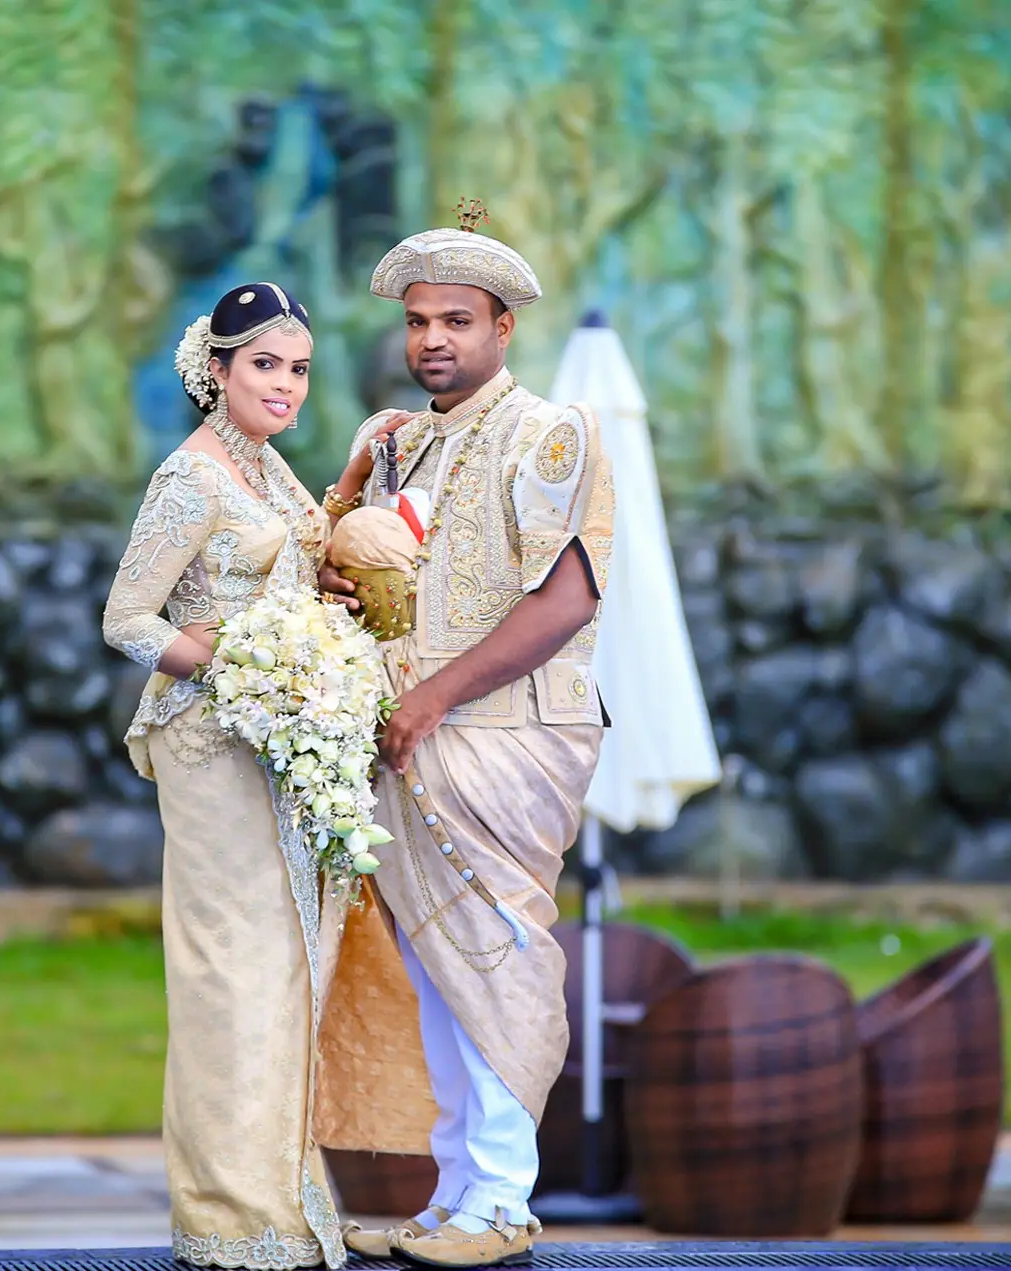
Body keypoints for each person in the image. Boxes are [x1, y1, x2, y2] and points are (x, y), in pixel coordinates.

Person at [313, 205, 616, 1269]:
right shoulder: (396, 443)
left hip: (506, 733)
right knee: (439, 965)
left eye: (455, 321)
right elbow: (370, 582)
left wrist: (433, 693)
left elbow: (568, 599)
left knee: (493, 949)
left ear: (501, 329)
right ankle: (453, 1197)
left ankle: (502, 1197)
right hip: (407, 734)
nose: (432, 340)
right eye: (417, 322)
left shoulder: (549, 433)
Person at [102, 282, 396, 1270]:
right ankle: (229, 1215)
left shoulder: (270, 471)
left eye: (298, 368)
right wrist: (233, 665)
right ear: (217, 369)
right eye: (264, 364)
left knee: (289, 967)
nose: (283, 384)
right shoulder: (189, 478)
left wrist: (352, 495)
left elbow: (308, 563)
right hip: (209, 748)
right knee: (233, 973)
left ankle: (286, 1197)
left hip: (278, 743)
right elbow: (127, 620)